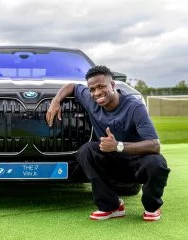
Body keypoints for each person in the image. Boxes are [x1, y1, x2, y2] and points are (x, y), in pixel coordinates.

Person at [46, 65, 170, 221]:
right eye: (92, 89)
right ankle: (112, 206)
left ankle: (152, 207)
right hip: (112, 163)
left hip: (136, 163)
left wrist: (118, 145)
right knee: (87, 151)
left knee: (157, 162)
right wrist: (56, 101)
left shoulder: (134, 106)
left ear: (112, 85)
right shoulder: (91, 100)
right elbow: (71, 86)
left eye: (101, 86)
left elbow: (155, 145)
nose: (97, 93)